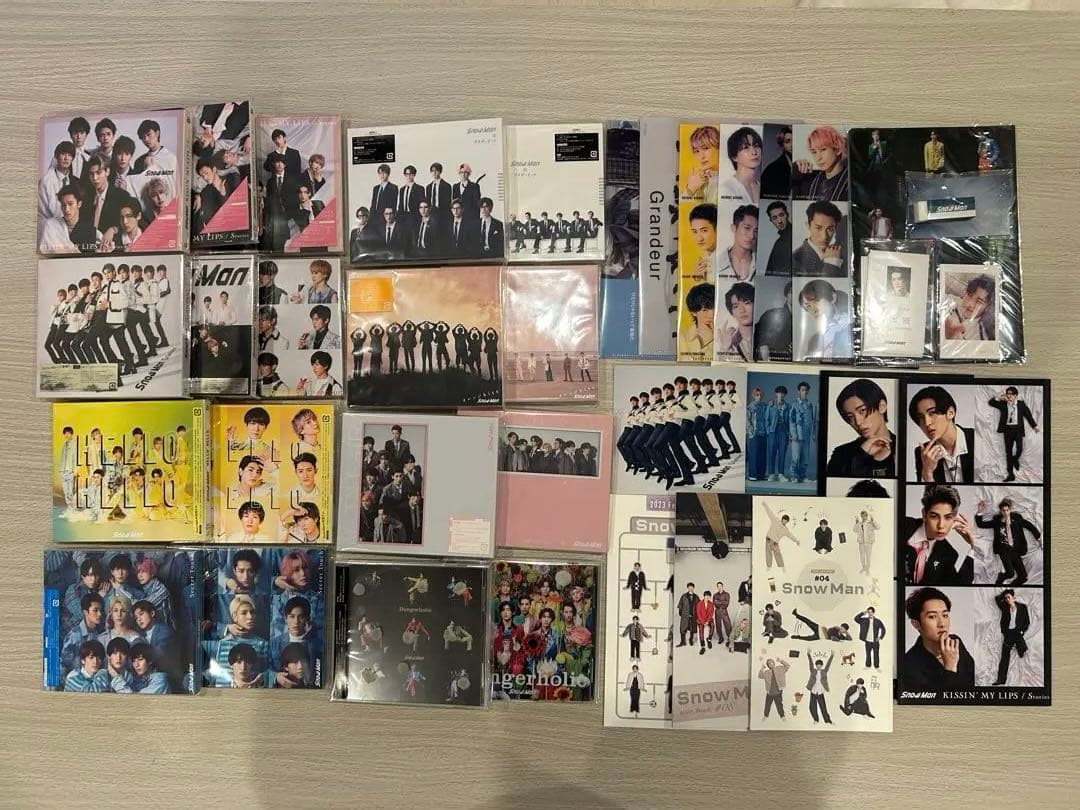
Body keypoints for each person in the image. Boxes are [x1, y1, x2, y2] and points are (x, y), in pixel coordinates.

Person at [902, 586, 974, 690]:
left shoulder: (954, 642)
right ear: (915, 624)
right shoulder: (909, 664)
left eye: (945, 615)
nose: (942, 624)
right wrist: (950, 667)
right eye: (932, 617)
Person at [902, 485, 975, 585]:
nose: (941, 525)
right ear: (924, 514)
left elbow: (957, 585)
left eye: (948, 517)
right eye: (934, 516)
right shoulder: (901, 525)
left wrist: (975, 547)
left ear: (954, 518)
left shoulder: (949, 554)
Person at [826, 378, 895, 478]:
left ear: (882, 406)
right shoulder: (841, 455)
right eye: (850, 416)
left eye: (862, 410)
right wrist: (860, 456)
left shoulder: (905, 448)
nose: (858, 422)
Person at [909, 386, 975, 483]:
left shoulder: (977, 439)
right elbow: (929, 491)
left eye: (932, 413)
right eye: (921, 417)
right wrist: (927, 472)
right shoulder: (923, 453)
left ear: (950, 413)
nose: (927, 423)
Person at [975, 498, 1038, 586]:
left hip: (1015, 550)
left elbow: (1029, 526)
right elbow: (981, 524)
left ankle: (1010, 588)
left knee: (1023, 577)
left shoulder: (1017, 519)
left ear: (1010, 510)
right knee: (1010, 573)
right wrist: (980, 511)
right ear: (1001, 511)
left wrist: (1038, 537)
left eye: (1007, 510)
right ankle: (1000, 579)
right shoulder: (997, 522)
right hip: (1003, 550)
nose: (1005, 513)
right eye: (1003, 510)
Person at [987, 386, 1039, 482]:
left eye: (1011, 394)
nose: (1009, 395)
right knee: (1008, 453)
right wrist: (999, 396)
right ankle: (1011, 475)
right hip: (1007, 430)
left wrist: (1034, 426)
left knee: (1020, 449)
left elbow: (1028, 415)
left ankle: (1015, 460)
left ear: (1015, 395)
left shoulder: (1021, 404)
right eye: (1008, 394)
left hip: (1018, 430)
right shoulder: (1003, 404)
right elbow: (991, 402)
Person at [791, 125, 849, 201]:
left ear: (837, 150)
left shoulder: (851, 182)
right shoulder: (811, 181)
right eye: (814, 152)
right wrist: (795, 168)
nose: (818, 158)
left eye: (823, 149)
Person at [792, 200, 845, 276]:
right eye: (818, 228)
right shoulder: (795, 260)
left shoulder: (840, 254)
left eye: (830, 229)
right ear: (808, 226)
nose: (824, 236)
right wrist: (832, 263)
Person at [993, 589, 1030, 685]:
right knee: (1004, 656)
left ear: (1014, 598)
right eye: (1005, 598)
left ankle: (1022, 648)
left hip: (1017, 632)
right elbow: (997, 599)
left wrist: (1022, 631)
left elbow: (1027, 622)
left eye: (1009, 597)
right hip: (1008, 633)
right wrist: (1004, 595)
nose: (1007, 599)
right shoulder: (1004, 607)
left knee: (1022, 652)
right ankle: (1001, 680)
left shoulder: (1022, 607)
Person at [942, 275, 995, 342]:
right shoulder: (947, 300)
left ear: (987, 307)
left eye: (979, 301)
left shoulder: (980, 338)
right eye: (970, 295)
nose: (970, 304)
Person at [717, 126, 762, 203]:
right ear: (734, 157)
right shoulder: (726, 189)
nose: (754, 152)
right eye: (746, 147)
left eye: (756, 146)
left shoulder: (761, 187)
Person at [788, 381, 815, 483]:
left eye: (806, 390)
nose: (805, 392)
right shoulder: (794, 405)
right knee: (796, 456)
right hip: (797, 435)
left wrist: (812, 433)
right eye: (803, 390)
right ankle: (794, 476)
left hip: (806, 434)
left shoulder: (809, 405)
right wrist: (793, 434)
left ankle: (802, 476)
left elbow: (812, 420)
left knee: (805, 456)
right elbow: (791, 421)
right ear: (799, 391)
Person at [684, 125, 719, 202]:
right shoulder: (698, 178)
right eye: (697, 151)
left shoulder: (729, 179)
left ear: (719, 148)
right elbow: (680, 205)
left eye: (705, 148)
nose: (701, 156)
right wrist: (690, 189)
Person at [679, 283, 714, 359]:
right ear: (693, 312)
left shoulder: (726, 335)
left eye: (714, 309)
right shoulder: (684, 338)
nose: (711, 315)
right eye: (704, 310)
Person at [762, 502, 799, 572]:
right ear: (782, 519)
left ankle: (782, 567)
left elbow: (790, 535)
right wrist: (765, 505)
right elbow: (770, 513)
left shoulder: (785, 529)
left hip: (775, 542)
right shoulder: (775, 520)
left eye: (786, 521)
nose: (785, 522)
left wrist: (796, 541)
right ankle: (769, 567)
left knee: (778, 554)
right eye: (784, 520)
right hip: (769, 539)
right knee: (768, 553)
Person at [686, 203, 716, 282]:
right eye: (695, 231)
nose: (699, 238)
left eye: (704, 230)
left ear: (716, 229)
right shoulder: (704, 257)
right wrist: (697, 279)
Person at [761, 125, 793, 199]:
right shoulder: (772, 169)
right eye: (788, 141)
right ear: (782, 144)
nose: (792, 145)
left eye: (795, 141)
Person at [763, 200, 792, 277]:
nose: (779, 221)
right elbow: (769, 273)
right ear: (771, 221)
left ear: (787, 215)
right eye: (775, 218)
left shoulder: (795, 234)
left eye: (781, 215)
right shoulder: (778, 243)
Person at [806, 652, 835, 724]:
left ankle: (828, 720)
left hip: (820, 692)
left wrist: (832, 655)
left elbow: (828, 664)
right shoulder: (813, 671)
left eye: (820, 665)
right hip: (813, 691)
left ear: (822, 666)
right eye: (817, 665)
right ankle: (816, 719)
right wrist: (809, 654)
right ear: (816, 666)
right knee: (812, 707)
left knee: (823, 707)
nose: (818, 667)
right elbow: (810, 664)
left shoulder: (824, 671)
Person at [746, 387, 769, 481]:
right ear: (753, 395)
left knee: (762, 454)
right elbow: (747, 420)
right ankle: (752, 474)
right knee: (754, 454)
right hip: (755, 433)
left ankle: (761, 474)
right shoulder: (750, 407)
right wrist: (751, 432)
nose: (759, 397)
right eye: (757, 395)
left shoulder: (764, 405)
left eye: (760, 395)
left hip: (764, 433)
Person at [853, 509, 880, 575]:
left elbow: (878, 527)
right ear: (861, 516)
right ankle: (863, 567)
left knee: (868, 556)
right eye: (862, 516)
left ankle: (867, 569)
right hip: (861, 542)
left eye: (865, 516)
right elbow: (854, 530)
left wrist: (873, 520)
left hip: (869, 542)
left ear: (867, 516)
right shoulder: (859, 523)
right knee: (862, 556)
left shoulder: (870, 523)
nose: (863, 517)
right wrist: (856, 523)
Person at [695, 589, 715, 654]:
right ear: (704, 596)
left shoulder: (711, 604)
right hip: (701, 620)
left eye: (709, 596)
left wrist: (707, 621)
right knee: (701, 630)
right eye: (706, 596)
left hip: (708, 619)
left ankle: (709, 639)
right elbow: (698, 614)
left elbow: (711, 613)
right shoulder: (699, 603)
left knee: (712, 625)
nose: (707, 597)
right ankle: (702, 646)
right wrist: (703, 622)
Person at [713, 583, 732, 648]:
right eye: (718, 586)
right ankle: (720, 638)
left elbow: (726, 603)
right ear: (717, 587)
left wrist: (718, 602)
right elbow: (714, 603)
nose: (719, 587)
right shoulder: (715, 595)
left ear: (722, 586)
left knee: (728, 625)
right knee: (718, 625)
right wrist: (722, 602)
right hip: (717, 611)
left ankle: (729, 638)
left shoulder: (727, 594)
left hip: (724, 611)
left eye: (720, 586)